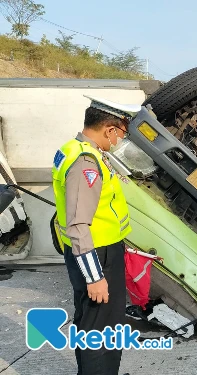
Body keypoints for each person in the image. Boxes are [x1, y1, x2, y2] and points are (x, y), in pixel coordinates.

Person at [52, 96, 139, 374]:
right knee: (100, 329)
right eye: (121, 133)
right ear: (110, 130)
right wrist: (95, 277)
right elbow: (78, 226)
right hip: (95, 256)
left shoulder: (77, 149)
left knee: (96, 324)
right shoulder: (86, 163)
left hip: (98, 252)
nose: (120, 140)